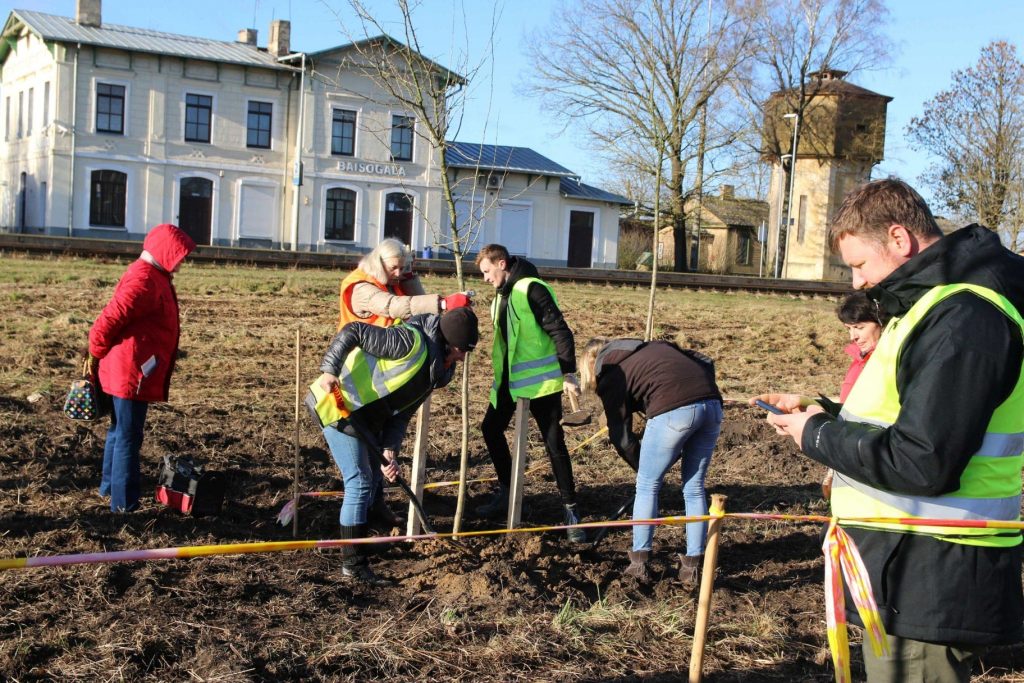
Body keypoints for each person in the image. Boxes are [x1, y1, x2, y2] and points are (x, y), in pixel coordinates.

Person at [752, 178, 1024, 682]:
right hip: (912, 565)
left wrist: (816, 436)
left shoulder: (963, 316)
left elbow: (922, 461)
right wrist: (825, 412)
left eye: (859, 264)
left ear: (899, 239)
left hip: (932, 566)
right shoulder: (930, 305)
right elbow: (913, 418)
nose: (857, 282)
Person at [311, 307, 478, 584]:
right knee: (360, 482)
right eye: (463, 349)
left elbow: (402, 413)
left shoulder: (435, 371)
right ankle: (353, 565)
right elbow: (354, 331)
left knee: (374, 478)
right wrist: (330, 369)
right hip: (338, 404)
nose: (463, 357)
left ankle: (369, 536)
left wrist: (390, 449)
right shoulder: (409, 342)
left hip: (368, 417)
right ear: (451, 343)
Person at [337, 237, 471, 528]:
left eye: (404, 268)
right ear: (379, 262)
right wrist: (444, 302)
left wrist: (412, 277)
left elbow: (421, 312)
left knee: (382, 447)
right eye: (395, 268)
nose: (399, 273)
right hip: (363, 374)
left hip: (391, 374)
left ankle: (376, 505)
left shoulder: (393, 280)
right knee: (365, 464)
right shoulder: (361, 288)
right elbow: (395, 307)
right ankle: (364, 520)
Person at [579, 337, 722, 585]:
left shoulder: (613, 375)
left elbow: (622, 438)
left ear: (590, 367)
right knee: (694, 487)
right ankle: (693, 567)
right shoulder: (652, 348)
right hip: (712, 403)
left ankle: (639, 564)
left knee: (647, 485)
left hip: (674, 409)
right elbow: (704, 361)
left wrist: (644, 467)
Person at [474, 243, 586, 542]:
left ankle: (571, 509)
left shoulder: (532, 289)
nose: (485, 278)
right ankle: (509, 492)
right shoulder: (500, 296)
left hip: (542, 385)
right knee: (490, 429)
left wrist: (568, 373)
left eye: (487, 271)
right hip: (509, 384)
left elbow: (560, 331)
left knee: (553, 443)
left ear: (501, 263)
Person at [88, 224, 196, 513]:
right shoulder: (145, 280)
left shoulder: (150, 275)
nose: (182, 261)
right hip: (130, 372)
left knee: (118, 430)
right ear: (165, 252)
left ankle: (109, 488)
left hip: (126, 369)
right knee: (128, 436)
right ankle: (123, 505)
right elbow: (110, 318)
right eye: (179, 255)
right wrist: (96, 349)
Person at [820, 291, 888, 498]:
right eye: (848, 329)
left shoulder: (886, 363)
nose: (853, 337)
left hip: (870, 452)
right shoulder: (861, 360)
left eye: (859, 327)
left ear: (882, 322)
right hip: (852, 447)